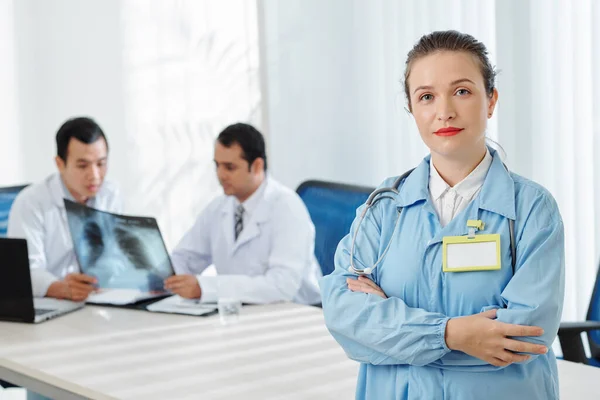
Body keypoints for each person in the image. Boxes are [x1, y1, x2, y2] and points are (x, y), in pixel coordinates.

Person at [320, 30, 565, 399]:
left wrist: (390, 333)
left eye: (462, 91)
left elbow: (522, 337)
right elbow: (345, 315)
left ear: (491, 100)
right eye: (426, 97)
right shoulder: (384, 206)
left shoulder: (532, 210)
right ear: (411, 108)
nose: (444, 111)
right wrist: (453, 334)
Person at [164, 123, 322, 305]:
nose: (220, 175)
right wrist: (163, 276)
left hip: (296, 312)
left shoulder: (287, 208)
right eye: (217, 166)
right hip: (242, 310)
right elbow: (185, 258)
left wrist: (206, 287)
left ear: (256, 166)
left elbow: (282, 286)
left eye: (229, 167)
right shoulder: (219, 208)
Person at [8, 117, 122, 301]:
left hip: (97, 300)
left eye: (101, 164)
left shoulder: (110, 193)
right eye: (83, 165)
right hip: (50, 303)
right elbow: (24, 272)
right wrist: (62, 289)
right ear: (60, 164)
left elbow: (115, 255)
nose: (94, 176)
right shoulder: (31, 202)